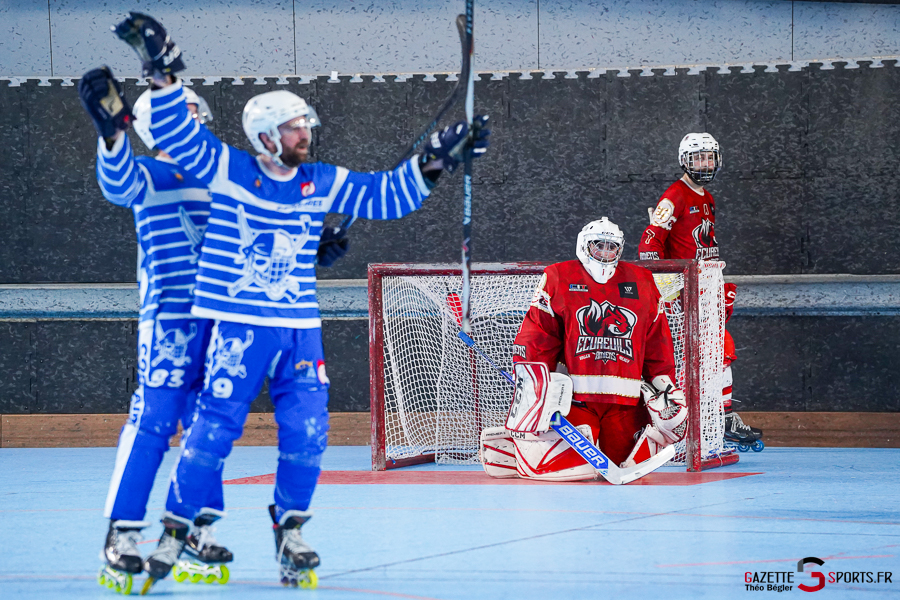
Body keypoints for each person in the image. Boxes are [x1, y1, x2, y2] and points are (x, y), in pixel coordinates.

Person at [111, 11, 490, 591]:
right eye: (292, 129)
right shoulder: (229, 171)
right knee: (212, 430)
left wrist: (439, 158)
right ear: (265, 135)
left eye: (305, 125)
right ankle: (176, 529)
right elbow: (182, 138)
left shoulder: (319, 181)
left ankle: (290, 530)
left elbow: (386, 195)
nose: (304, 135)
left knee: (309, 431)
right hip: (238, 325)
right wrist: (162, 74)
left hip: (298, 327)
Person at [78, 68, 232, 594]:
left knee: (209, 427)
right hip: (169, 321)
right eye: (181, 113)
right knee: (153, 421)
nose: (192, 120)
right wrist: (112, 136)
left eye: (193, 112)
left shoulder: (224, 179)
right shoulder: (148, 173)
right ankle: (122, 532)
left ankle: (197, 527)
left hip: (222, 321)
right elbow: (118, 184)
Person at [481, 218, 688, 481]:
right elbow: (538, 335)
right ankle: (519, 452)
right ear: (584, 245)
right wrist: (535, 381)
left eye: (611, 247)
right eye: (598, 245)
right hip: (574, 401)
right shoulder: (559, 276)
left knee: (626, 464)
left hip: (625, 403)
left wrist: (664, 384)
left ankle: (522, 452)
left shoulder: (642, 280)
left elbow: (657, 341)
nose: (605, 252)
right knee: (567, 472)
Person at [637, 132, 762, 450]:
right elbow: (649, 243)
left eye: (709, 158)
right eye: (697, 158)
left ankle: (714, 417)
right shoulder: (674, 196)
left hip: (707, 286)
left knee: (714, 353)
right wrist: (666, 286)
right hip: (686, 290)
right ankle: (716, 418)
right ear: (684, 161)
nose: (704, 164)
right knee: (715, 349)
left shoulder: (707, 197)